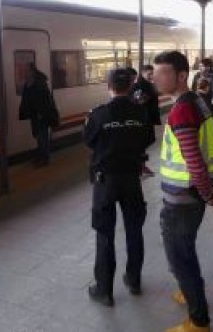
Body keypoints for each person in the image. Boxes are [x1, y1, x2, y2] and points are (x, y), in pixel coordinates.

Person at [153, 50, 213, 332]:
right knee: (186, 249)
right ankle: (188, 290)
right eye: (155, 72)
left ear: (182, 75)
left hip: (182, 197)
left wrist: (207, 192)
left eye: (163, 72)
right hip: (192, 195)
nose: (155, 77)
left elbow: (193, 157)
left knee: (180, 257)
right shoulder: (198, 101)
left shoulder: (182, 109)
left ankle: (199, 322)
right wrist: (209, 189)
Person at [84, 68, 153, 307]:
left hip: (106, 181)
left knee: (105, 233)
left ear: (109, 86)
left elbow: (89, 141)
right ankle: (133, 280)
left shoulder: (99, 114)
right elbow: (148, 139)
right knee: (134, 229)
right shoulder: (140, 112)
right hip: (131, 180)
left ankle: (104, 290)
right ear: (131, 85)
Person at [19, 63, 59, 166]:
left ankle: (45, 158)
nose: (25, 72)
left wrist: (42, 113)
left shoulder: (40, 83)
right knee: (37, 135)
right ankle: (41, 155)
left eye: (27, 70)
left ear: (32, 71)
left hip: (42, 115)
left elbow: (45, 100)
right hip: (34, 114)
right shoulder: (29, 82)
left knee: (43, 136)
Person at [131, 64, 161, 177]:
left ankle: (140, 164)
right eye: (149, 74)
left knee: (146, 141)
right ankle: (140, 165)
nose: (151, 76)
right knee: (142, 142)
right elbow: (138, 101)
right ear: (142, 73)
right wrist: (144, 98)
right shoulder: (139, 85)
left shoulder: (149, 84)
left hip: (147, 118)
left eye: (152, 73)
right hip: (142, 119)